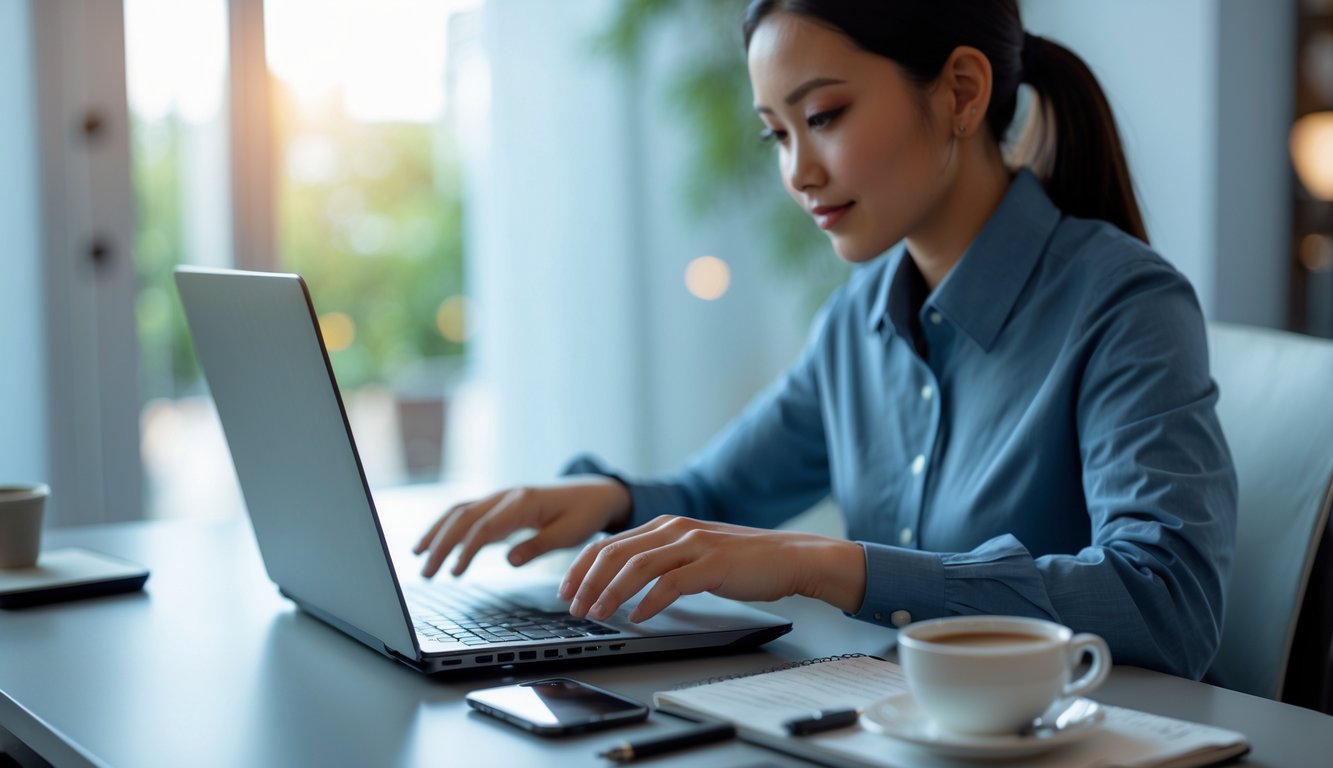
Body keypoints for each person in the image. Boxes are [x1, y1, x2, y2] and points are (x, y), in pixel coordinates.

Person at [414, 0, 1237, 680]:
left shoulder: (1124, 302)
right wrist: (613, 501)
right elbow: (723, 497)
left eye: (822, 116)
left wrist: (827, 564)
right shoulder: (858, 319)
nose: (797, 171)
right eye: (776, 132)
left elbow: (1166, 604)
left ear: (959, 91)